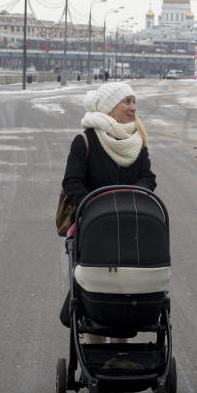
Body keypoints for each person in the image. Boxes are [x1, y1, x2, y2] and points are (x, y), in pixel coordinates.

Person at [59, 81, 157, 338]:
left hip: (130, 221)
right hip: (94, 223)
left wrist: (133, 198)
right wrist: (94, 206)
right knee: (94, 280)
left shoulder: (137, 141)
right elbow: (72, 182)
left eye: (133, 101)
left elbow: (148, 177)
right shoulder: (85, 141)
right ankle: (94, 340)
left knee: (127, 282)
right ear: (110, 107)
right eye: (127, 102)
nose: (133, 107)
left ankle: (121, 339)